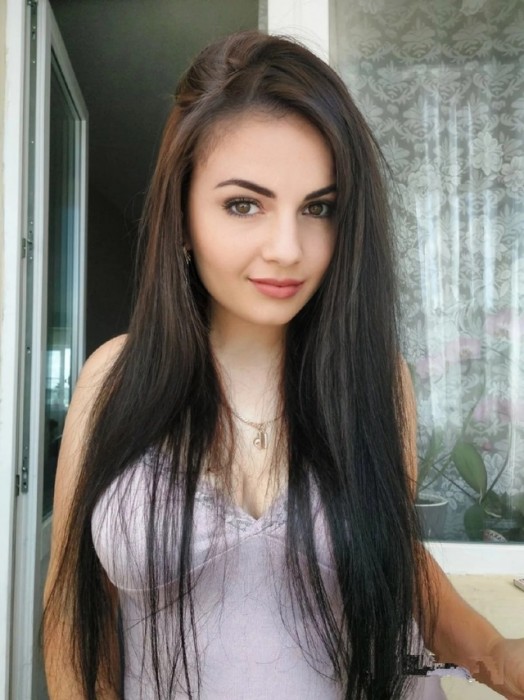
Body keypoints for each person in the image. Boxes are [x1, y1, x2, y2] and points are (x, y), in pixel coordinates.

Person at [43, 31, 524, 700]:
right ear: (182, 215)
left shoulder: (376, 380)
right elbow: (73, 618)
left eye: (318, 208)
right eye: (244, 204)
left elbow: (396, 563)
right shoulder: (112, 381)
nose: (288, 248)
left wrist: (496, 655)